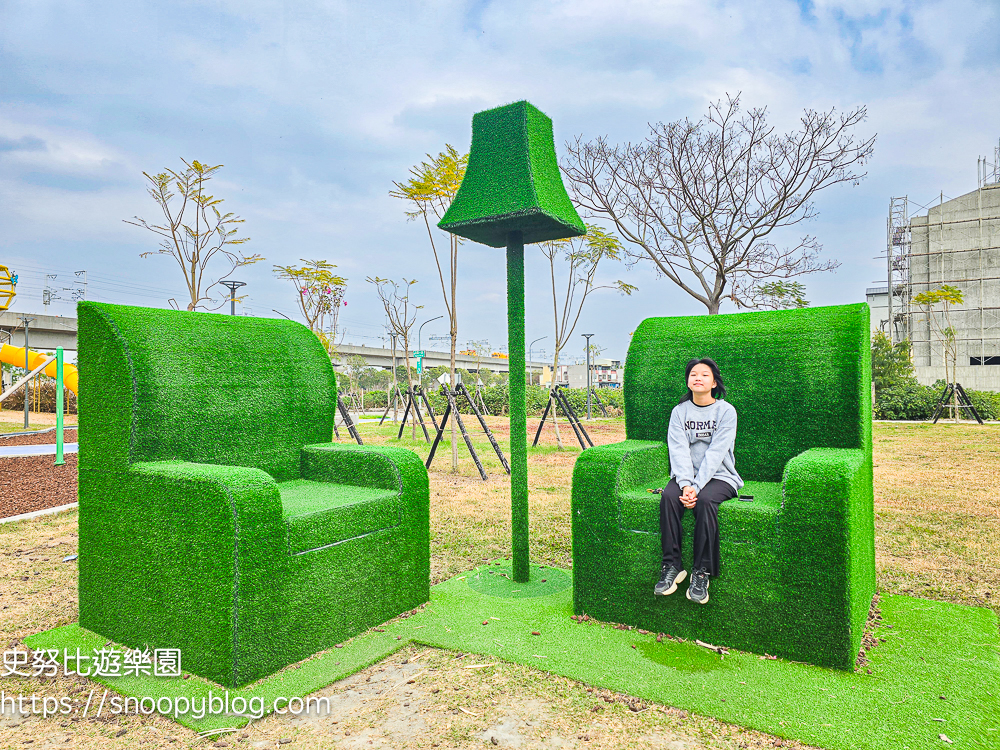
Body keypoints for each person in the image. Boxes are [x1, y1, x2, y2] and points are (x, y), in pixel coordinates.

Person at [654, 358, 743, 604]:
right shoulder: (679, 412)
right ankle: (672, 566)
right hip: (687, 476)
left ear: (714, 382)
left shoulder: (726, 411)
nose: (698, 378)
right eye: (693, 374)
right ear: (687, 381)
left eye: (704, 374)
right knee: (669, 497)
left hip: (720, 476)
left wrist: (696, 487)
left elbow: (717, 453)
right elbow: (678, 449)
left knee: (704, 501)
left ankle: (701, 572)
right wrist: (685, 484)